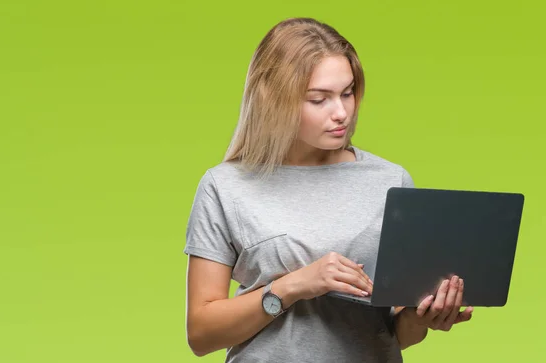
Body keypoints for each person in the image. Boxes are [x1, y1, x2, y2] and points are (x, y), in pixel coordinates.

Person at [183, 17, 473, 362]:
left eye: (347, 93)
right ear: (273, 99)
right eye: (319, 99)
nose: (342, 113)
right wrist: (293, 286)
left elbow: (396, 334)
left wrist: (425, 317)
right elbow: (201, 335)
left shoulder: (390, 181)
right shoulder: (225, 186)